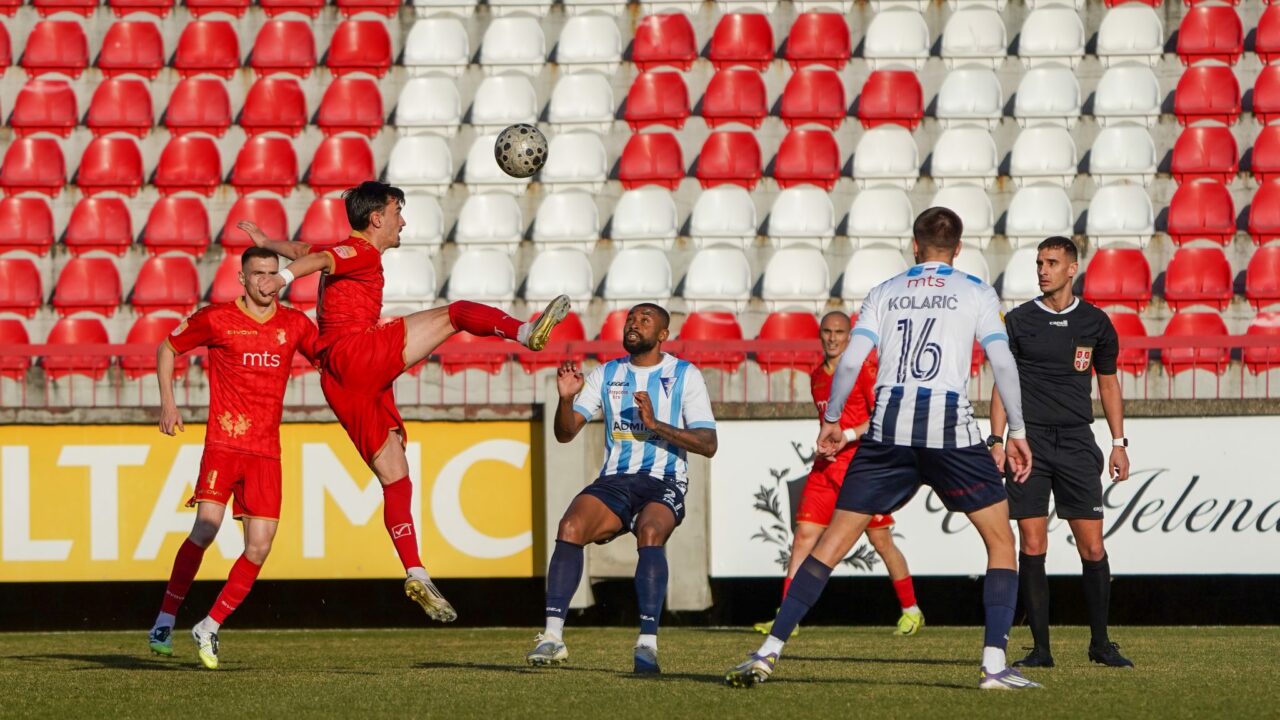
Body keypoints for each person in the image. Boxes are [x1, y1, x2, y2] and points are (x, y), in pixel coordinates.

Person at [723, 207, 1041, 691]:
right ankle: (993, 666)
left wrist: (831, 420)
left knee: (830, 543)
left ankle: (768, 653)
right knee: (1000, 542)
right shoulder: (975, 291)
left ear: (914, 247)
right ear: (958, 250)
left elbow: (850, 362)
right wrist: (1016, 430)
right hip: (948, 430)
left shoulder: (886, 292)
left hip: (887, 430)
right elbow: (1002, 361)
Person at [240, 181, 570, 622]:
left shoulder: (343, 252)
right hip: (357, 353)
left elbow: (305, 250)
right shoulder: (361, 253)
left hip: (340, 381)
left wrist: (268, 245)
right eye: (398, 210)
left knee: (396, 476)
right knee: (455, 314)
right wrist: (280, 278)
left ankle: (416, 571)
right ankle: (527, 334)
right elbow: (317, 258)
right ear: (377, 217)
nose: (403, 220)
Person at [147, 247, 318, 670]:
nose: (265, 281)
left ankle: (209, 626)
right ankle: (165, 619)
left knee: (259, 548)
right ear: (241, 279)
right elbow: (167, 349)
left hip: (265, 451)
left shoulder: (294, 324)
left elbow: (330, 362)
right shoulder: (216, 318)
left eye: (271, 273)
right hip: (225, 444)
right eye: (257, 273)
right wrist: (168, 403)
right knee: (204, 530)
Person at [526, 303, 717, 674]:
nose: (634, 324)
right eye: (631, 318)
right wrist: (566, 399)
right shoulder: (607, 374)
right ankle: (552, 638)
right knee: (570, 528)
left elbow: (708, 443)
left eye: (645, 320)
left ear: (662, 335)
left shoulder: (684, 374)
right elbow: (565, 434)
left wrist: (655, 424)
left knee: (649, 532)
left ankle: (647, 646)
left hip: (664, 481)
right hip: (615, 480)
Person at [987, 236, 1134, 669]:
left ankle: (1100, 644)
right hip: (1027, 444)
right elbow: (1002, 383)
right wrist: (997, 440)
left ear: (1073, 268)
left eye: (1052, 262)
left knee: (1091, 546)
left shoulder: (1096, 322)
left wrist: (1119, 444)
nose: (1043, 269)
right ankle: (1041, 649)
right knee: (1032, 544)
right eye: (1039, 263)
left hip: (1074, 442)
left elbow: (1108, 384)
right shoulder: (1018, 320)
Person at [753, 311, 924, 638]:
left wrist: (847, 435)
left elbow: (880, 417)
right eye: (827, 332)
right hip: (826, 469)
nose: (832, 337)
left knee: (880, 540)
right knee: (803, 536)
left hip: (861, 467)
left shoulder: (863, 370)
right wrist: (827, 443)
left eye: (839, 332)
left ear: (850, 336)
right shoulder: (816, 375)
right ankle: (787, 615)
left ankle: (911, 609)